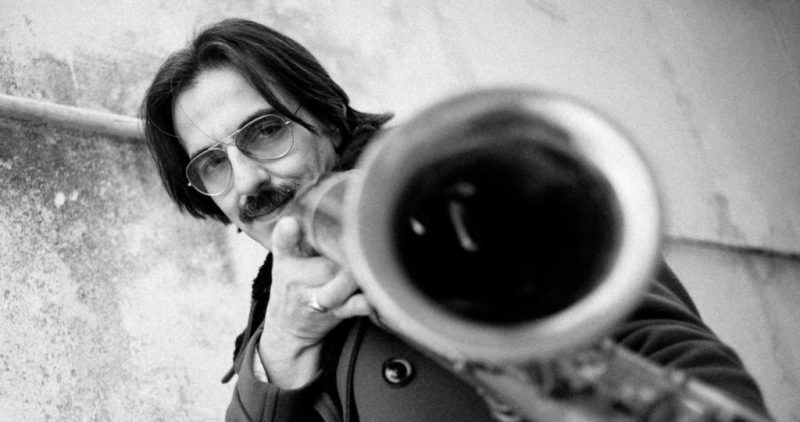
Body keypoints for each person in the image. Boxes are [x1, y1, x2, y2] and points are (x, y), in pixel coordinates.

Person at [140, 18, 770, 421]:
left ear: (327, 120)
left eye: (265, 130)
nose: (248, 179)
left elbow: (682, 366)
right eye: (212, 165)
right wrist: (280, 349)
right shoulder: (271, 316)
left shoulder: (467, 193)